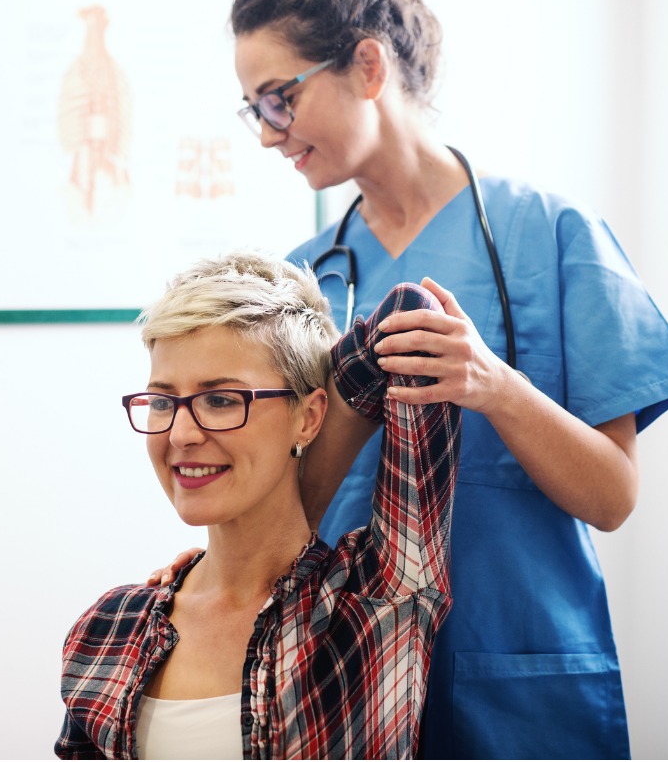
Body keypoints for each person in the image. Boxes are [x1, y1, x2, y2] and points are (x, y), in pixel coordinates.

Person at [220, 0, 668, 759]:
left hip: (520, 686)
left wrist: (493, 385)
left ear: (366, 65)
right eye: (252, 107)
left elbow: (614, 499)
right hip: (347, 683)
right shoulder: (305, 278)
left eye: (279, 97)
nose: (267, 131)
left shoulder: (552, 233)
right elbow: (288, 511)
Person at [56, 251, 461, 759]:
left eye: (221, 400)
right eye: (163, 400)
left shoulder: (378, 599)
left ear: (310, 417)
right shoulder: (109, 626)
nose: (180, 434)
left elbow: (408, 314)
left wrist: (297, 503)